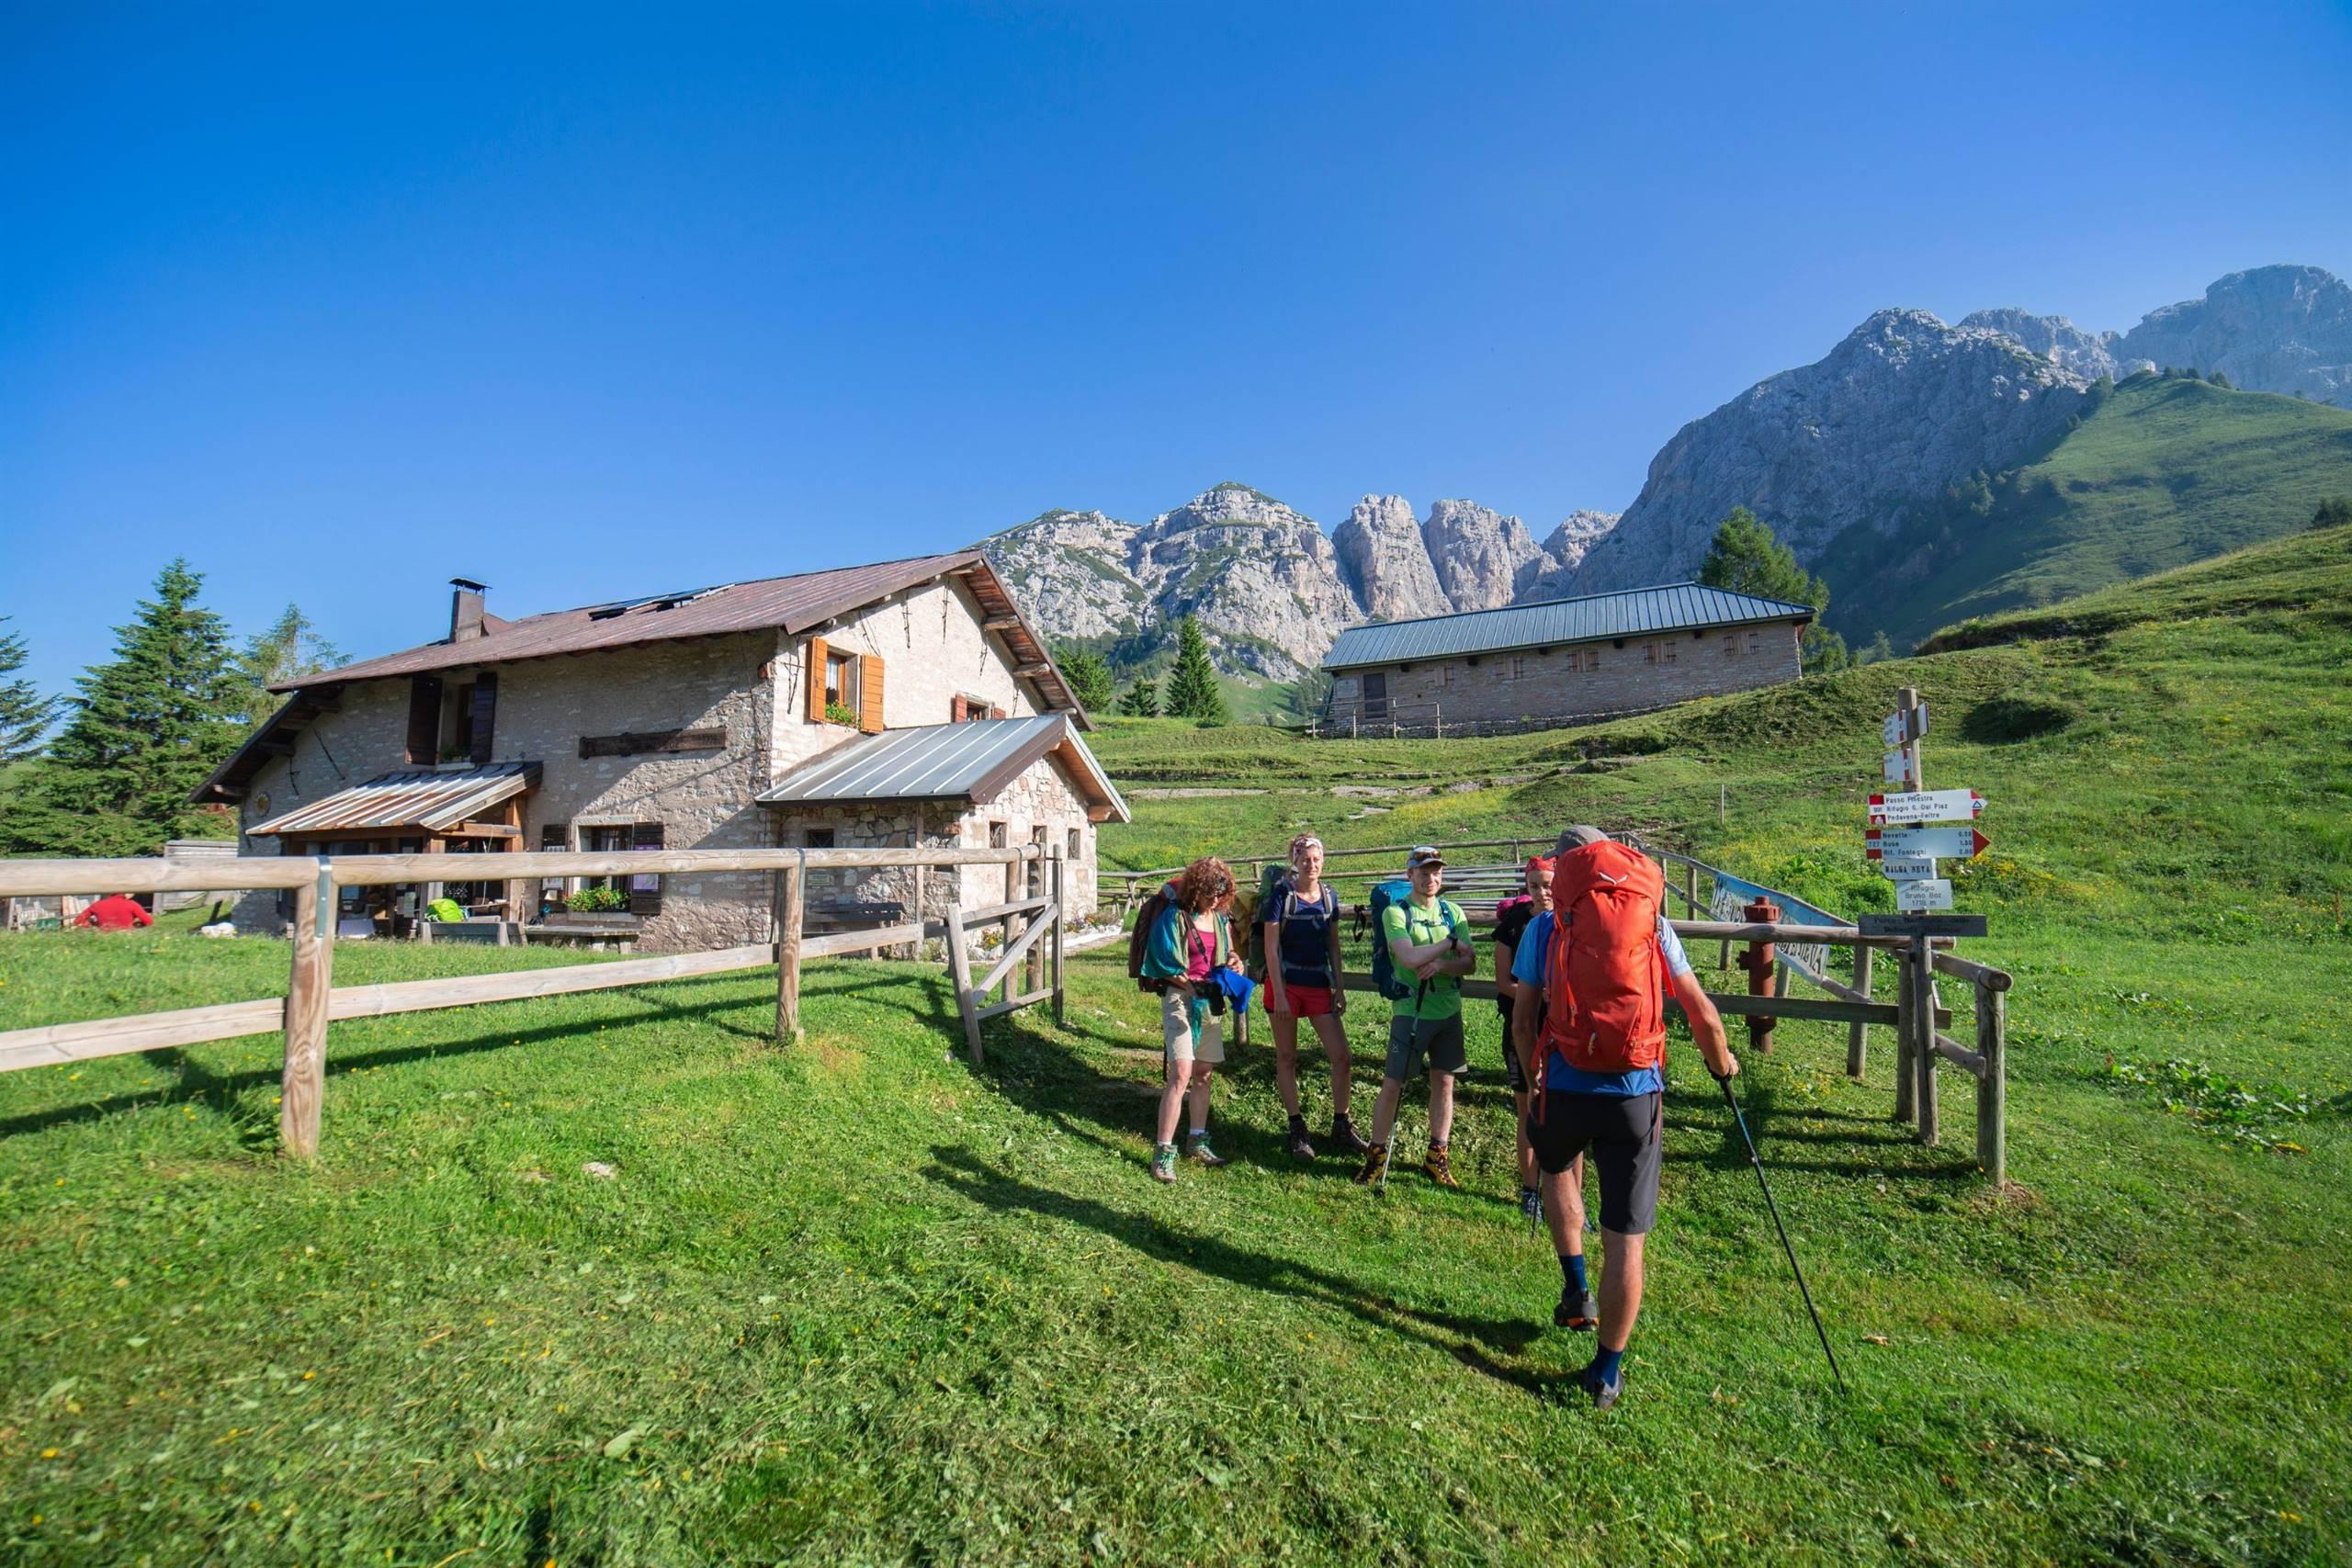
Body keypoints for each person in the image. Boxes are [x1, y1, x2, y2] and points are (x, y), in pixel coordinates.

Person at [1511, 825, 1738, 1411]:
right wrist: (1723, 1063)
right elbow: (1700, 1012)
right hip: (1636, 1092)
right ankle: (1607, 1370)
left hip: (1564, 1082)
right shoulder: (1652, 924)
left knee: (1557, 1167)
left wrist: (1533, 1073)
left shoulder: (1545, 927)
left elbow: (1523, 1014)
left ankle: (1576, 1286)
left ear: (1563, 873)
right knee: (1627, 1238)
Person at [1353, 846, 1476, 1188]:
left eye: (1436, 872)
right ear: (1410, 875)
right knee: (1393, 1084)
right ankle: (1376, 1157)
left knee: (1445, 1082)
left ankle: (1436, 1156)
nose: (1431, 878)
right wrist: (1449, 943)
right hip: (1411, 1012)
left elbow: (1470, 963)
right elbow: (1408, 958)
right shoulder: (1396, 912)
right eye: (1424, 872)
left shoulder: (1453, 912)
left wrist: (1441, 964)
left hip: (1449, 1011)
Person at [1262, 833, 1369, 1160]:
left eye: (1316, 859)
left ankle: (1341, 1124)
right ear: (1294, 861)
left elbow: (1333, 945)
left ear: (1323, 861)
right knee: (1287, 1057)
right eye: (1305, 859)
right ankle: (1297, 1127)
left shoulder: (1329, 897)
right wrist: (1279, 993)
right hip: (1286, 986)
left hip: (1318, 984)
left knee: (1342, 1056)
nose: (1312, 865)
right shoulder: (1281, 896)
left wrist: (1339, 986)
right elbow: (1271, 946)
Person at [1139, 856, 1243, 1182]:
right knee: (1180, 1073)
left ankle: (1196, 1139)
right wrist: (1189, 984)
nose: (1214, 899)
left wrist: (1234, 963)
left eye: (1220, 894)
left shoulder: (1220, 919)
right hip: (1181, 1000)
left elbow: (1224, 955)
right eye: (1209, 893)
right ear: (1196, 888)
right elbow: (1163, 961)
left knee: (1203, 1072)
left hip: (1207, 1000)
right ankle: (1163, 1152)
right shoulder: (1175, 917)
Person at [1492, 855, 1555, 1226]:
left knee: (1564, 1113)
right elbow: (1502, 982)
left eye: (1548, 884)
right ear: (1526, 887)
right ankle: (1531, 1190)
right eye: (1535, 885)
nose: (1542, 892)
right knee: (1527, 1110)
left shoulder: (1568, 922)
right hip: (1521, 1025)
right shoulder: (1513, 924)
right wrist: (1539, 995)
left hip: (1562, 1030)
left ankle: (1565, 1195)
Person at [75, 893, 153, 931]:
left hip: (103, 938)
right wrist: (136, 924)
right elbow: (149, 922)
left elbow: (78, 921)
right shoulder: (132, 904)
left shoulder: (98, 904)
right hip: (126, 936)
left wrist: (92, 925)